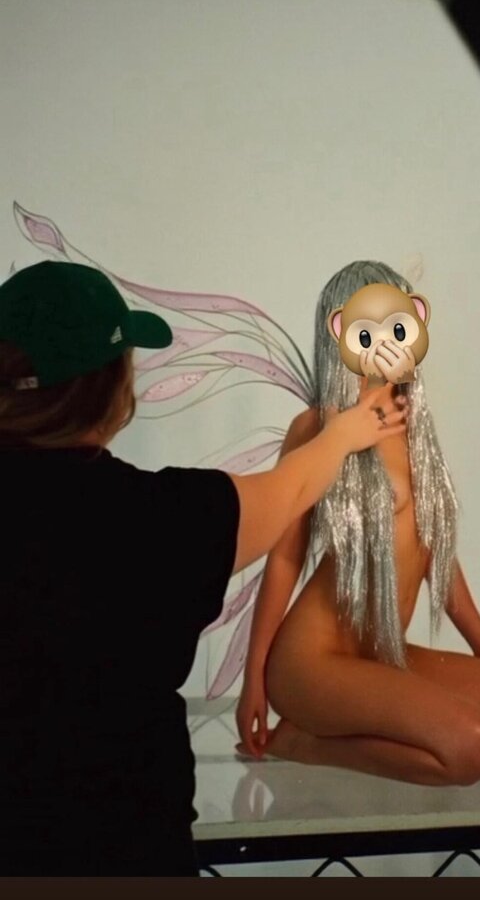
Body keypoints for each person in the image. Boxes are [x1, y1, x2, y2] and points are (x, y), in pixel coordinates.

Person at [0, 260, 405, 877]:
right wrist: (345, 433)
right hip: (125, 850)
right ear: (111, 389)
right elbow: (290, 491)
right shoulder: (161, 519)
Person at [237, 260, 480, 786]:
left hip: (383, 654)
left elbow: (436, 552)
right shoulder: (319, 427)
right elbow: (285, 557)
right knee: (474, 746)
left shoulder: (416, 429)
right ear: (340, 332)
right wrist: (253, 676)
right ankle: (304, 742)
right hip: (313, 660)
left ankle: (351, 729)